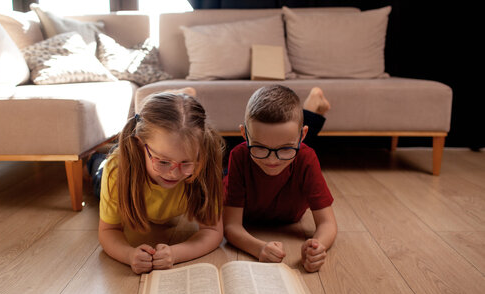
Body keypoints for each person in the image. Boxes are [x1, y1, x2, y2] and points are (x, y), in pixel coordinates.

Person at [97, 89, 225, 274]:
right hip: (110, 174)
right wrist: (128, 255)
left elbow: (213, 231)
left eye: (186, 162)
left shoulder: (205, 163)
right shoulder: (117, 170)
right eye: (163, 161)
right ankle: (92, 163)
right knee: (97, 173)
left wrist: (175, 253)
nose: (174, 174)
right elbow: (108, 231)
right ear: (140, 144)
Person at [223, 85, 337, 272]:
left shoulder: (305, 157)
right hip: (229, 181)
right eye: (259, 147)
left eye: (285, 148)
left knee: (301, 150)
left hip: (297, 152)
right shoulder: (239, 156)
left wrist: (318, 246)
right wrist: (258, 248)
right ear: (244, 135)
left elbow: (327, 222)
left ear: (302, 137)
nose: (272, 160)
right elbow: (231, 226)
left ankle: (313, 103)